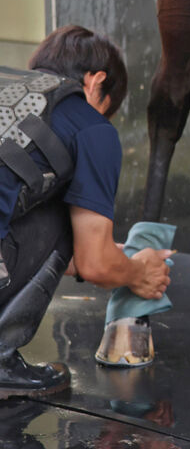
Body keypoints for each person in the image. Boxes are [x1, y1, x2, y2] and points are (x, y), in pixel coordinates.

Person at [0, 25, 173, 398]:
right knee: (70, 202)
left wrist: (118, 258)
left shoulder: (9, 86)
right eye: (106, 110)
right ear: (96, 81)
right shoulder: (90, 126)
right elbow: (94, 263)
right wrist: (139, 273)